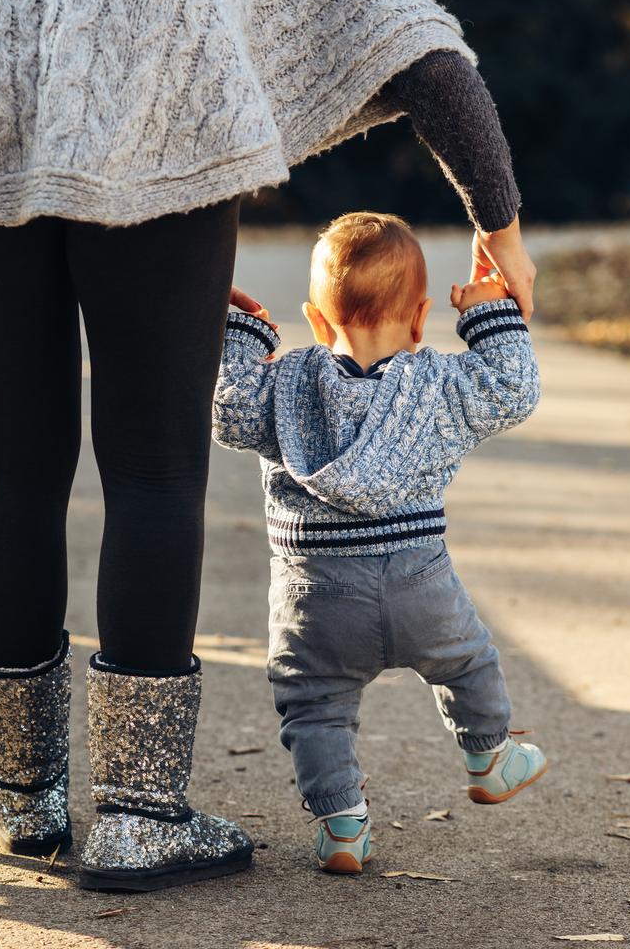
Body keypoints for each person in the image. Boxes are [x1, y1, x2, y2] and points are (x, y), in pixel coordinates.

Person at [0, 0, 538, 892]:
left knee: (11, 469)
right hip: (158, 101)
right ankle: (139, 819)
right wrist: (503, 234)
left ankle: (25, 792)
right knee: (154, 468)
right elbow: (417, 47)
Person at [212, 212, 547, 874]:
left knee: (314, 706)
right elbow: (514, 388)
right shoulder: (440, 388)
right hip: (422, 588)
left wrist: (238, 332)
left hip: (317, 601)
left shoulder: (284, 388)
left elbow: (227, 408)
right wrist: (489, 313)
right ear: (421, 320)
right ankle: (490, 755)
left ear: (315, 319)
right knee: (468, 662)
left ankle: (341, 823)